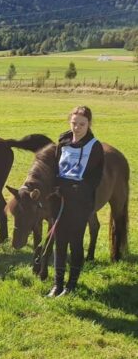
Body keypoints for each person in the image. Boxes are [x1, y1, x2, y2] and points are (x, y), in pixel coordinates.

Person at [47, 106, 104, 297]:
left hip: (80, 202)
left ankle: (71, 286)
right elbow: (56, 168)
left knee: (75, 242)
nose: (77, 127)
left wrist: (73, 190)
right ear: (69, 122)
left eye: (82, 124)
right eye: (74, 123)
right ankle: (57, 284)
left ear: (89, 124)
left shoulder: (95, 147)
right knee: (59, 242)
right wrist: (55, 188)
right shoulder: (63, 142)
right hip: (60, 199)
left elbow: (94, 179)